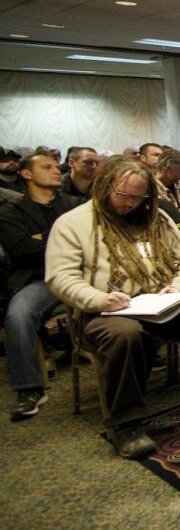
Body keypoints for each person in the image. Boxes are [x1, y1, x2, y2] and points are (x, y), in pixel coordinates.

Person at [45, 157, 180, 458]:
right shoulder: (74, 223)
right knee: (126, 334)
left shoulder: (155, 217)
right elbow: (60, 277)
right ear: (105, 187)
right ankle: (126, 423)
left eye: (138, 197)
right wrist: (98, 298)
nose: (130, 203)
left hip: (161, 301)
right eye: (123, 195)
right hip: (106, 311)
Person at [0, 154, 81, 420]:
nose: (56, 171)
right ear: (26, 174)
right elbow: (22, 250)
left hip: (81, 273)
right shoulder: (11, 212)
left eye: (57, 167)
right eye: (47, 167)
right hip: (41, 278)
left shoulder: (72, 204)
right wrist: (63, 238)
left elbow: (89, 239)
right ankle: (29, 389)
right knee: (18, 314)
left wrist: (42, 238)